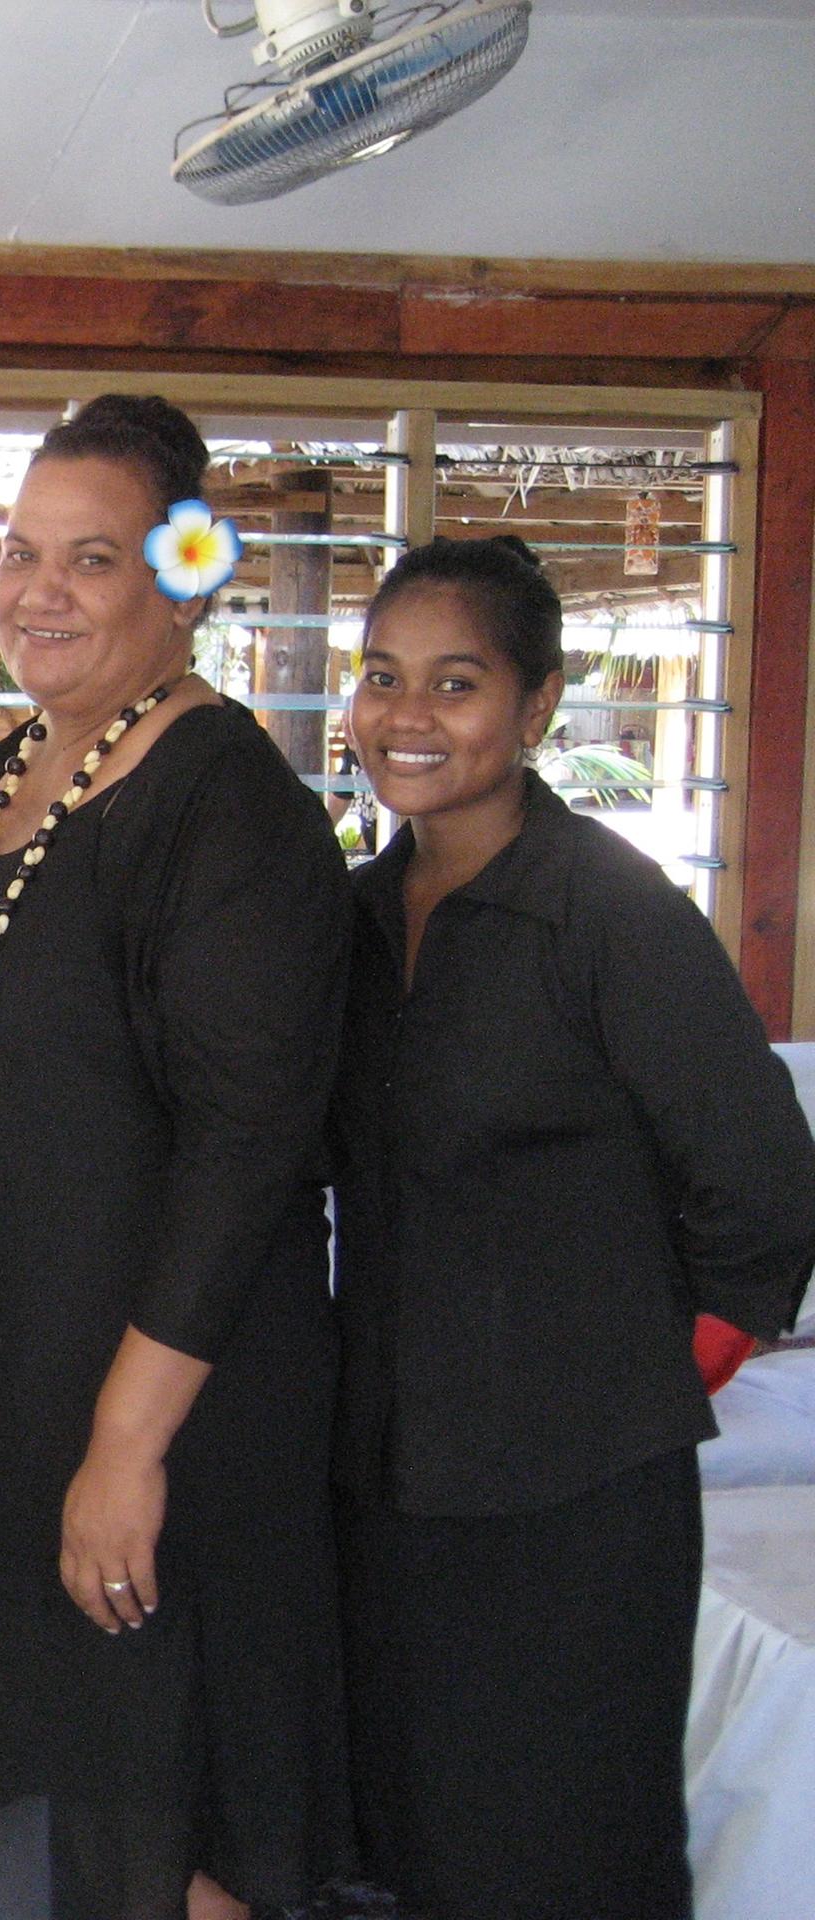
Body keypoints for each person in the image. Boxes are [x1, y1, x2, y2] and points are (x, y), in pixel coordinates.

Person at [331, 535, 815, 1920]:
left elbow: (767, 1188)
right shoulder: (362, 918)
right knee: (416, 1845)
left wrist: (659, 1378)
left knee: (568, 1853)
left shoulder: (609, 913)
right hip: (390, 1482)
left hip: (578, 1496)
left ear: (539, 708)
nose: (405, 717)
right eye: (382, 678)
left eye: (456, 683)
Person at [0, 395, 352, 1920]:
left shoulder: (228, 801)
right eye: (21, 552)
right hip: (17, 1396)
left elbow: (244, 1156)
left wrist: (124, 1447)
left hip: (166, 1413)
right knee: (49, 1805)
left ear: (185, 576)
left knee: (163, 1818)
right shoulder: (4, 780)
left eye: (89, 559)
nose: (36, 590)